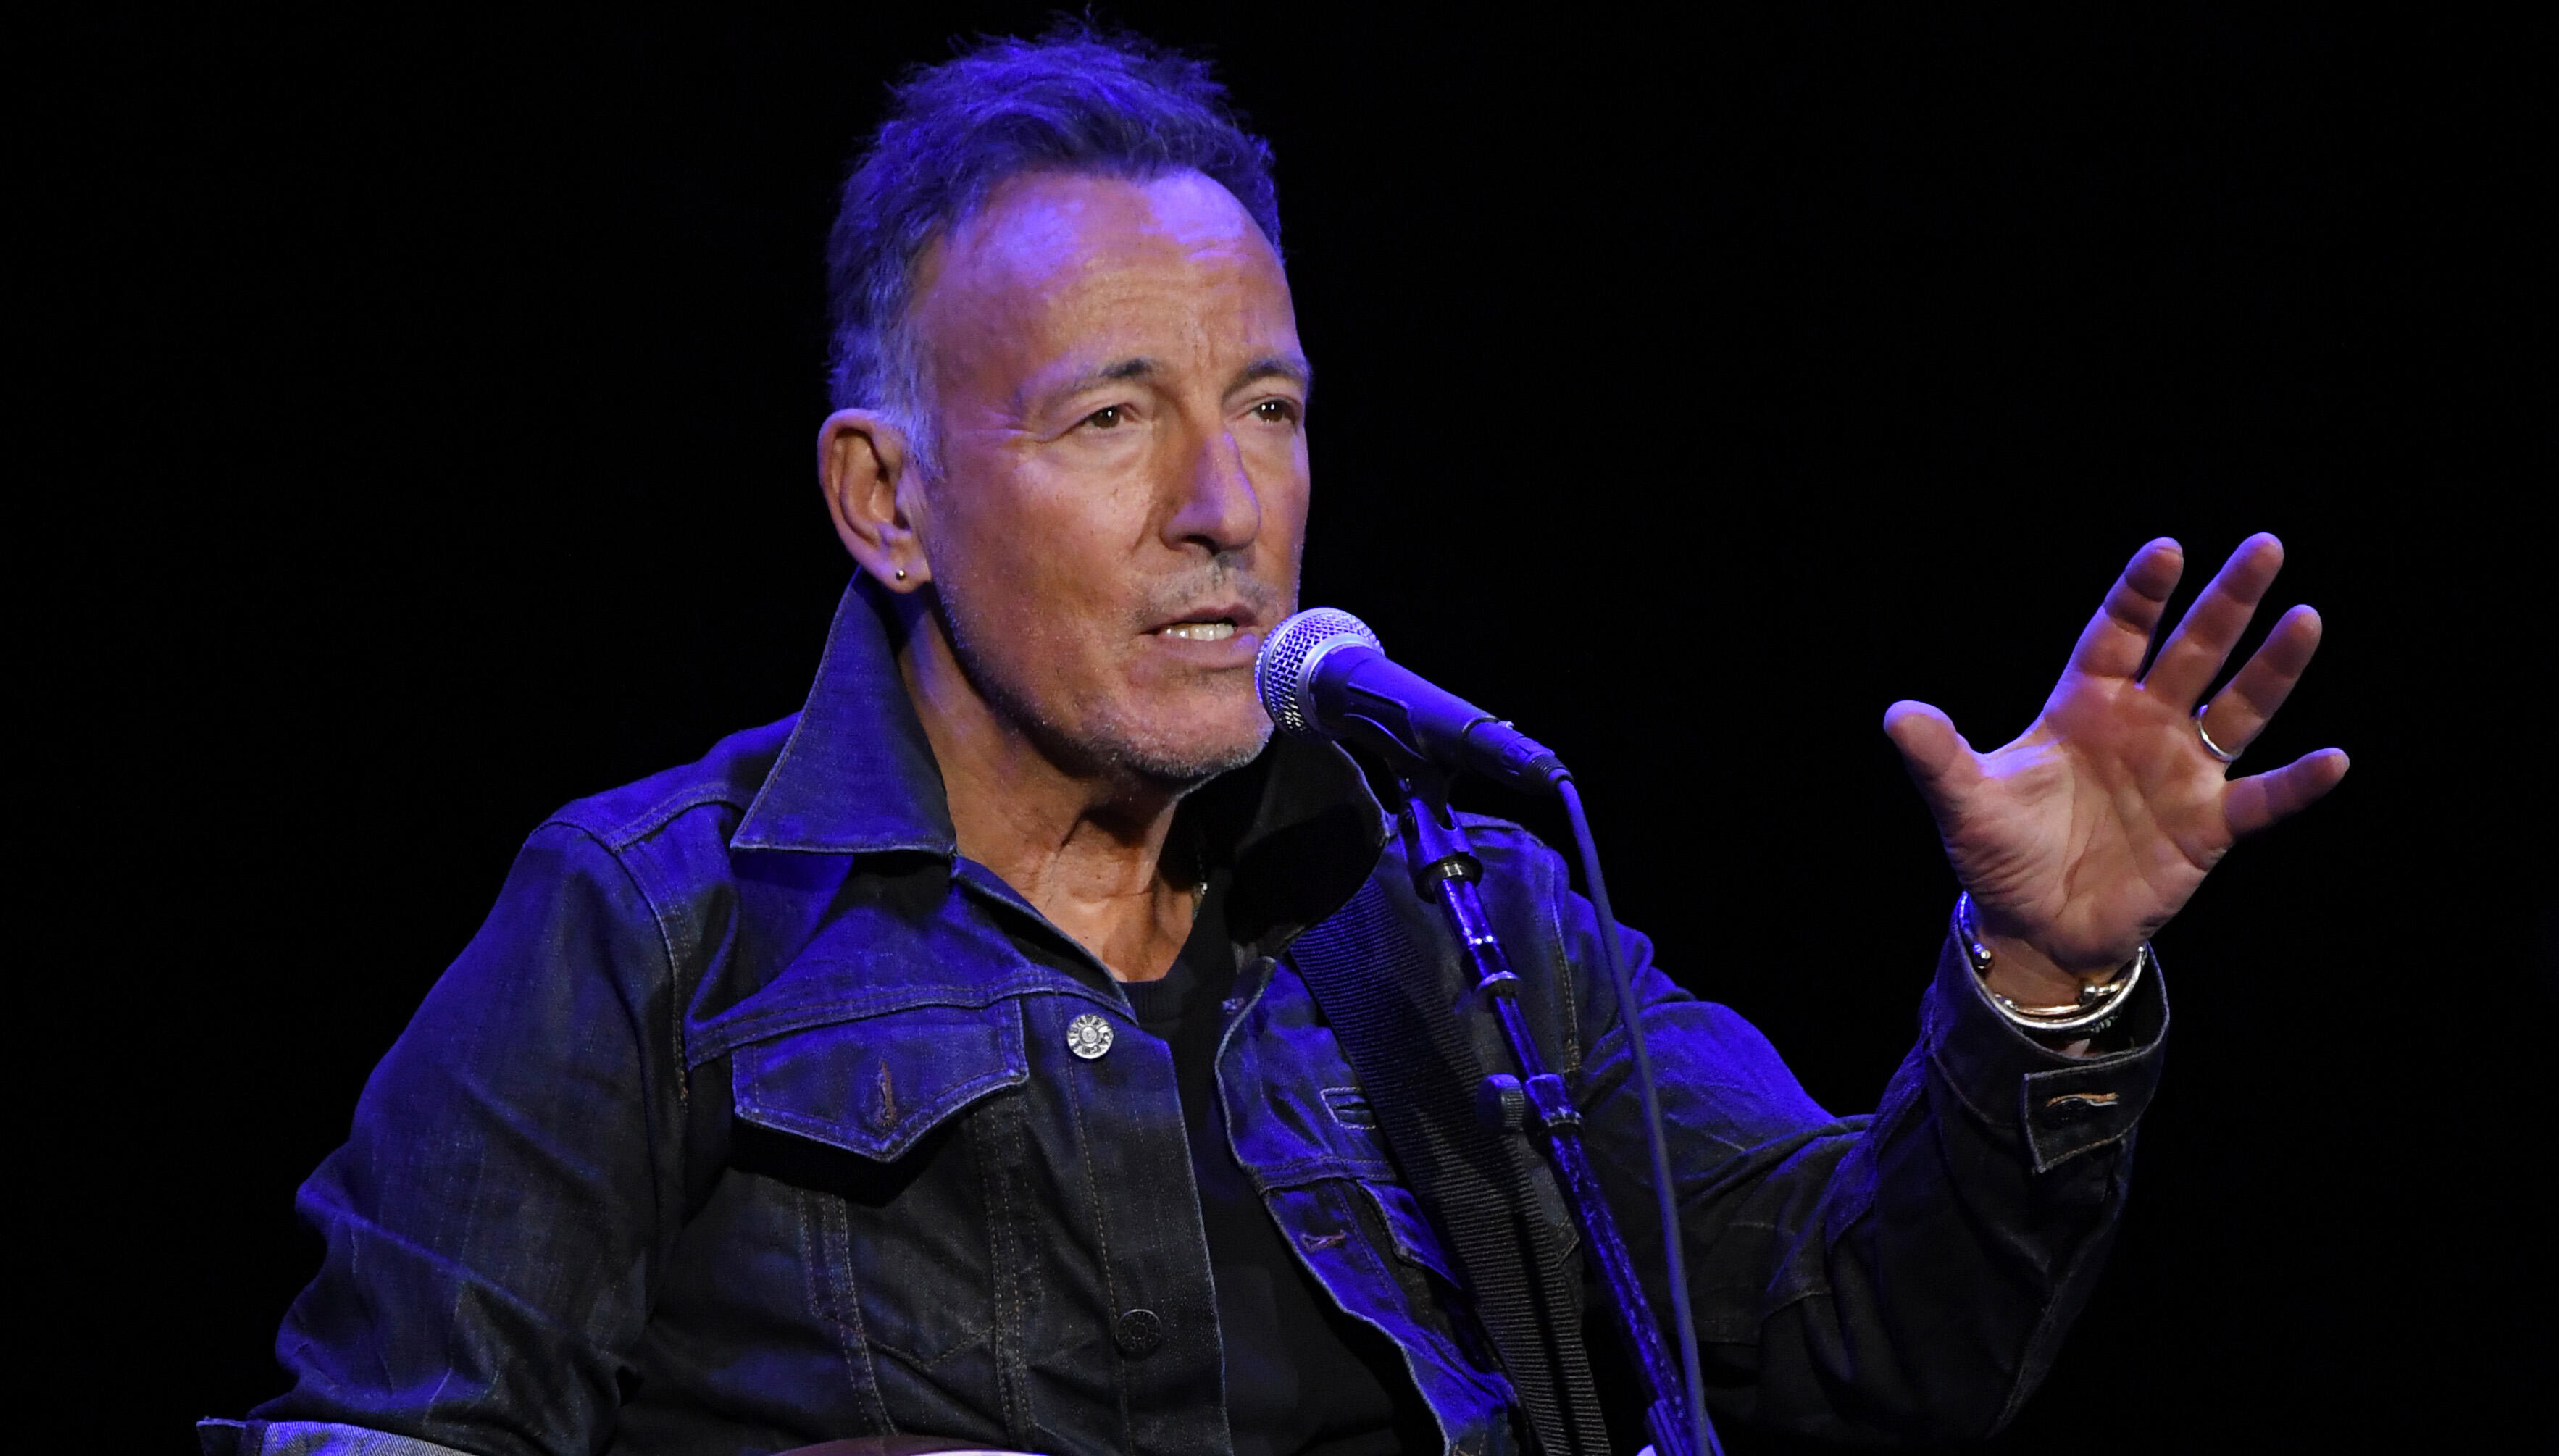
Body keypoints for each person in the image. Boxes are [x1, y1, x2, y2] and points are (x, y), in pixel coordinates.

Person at [204, 28, 2347, 1456]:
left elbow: (1859, 1335)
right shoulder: (654, 925)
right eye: (1108, 418)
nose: (1222, 505)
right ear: (885, 497)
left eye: (1268, 408)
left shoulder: (1459, 915)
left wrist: (2044, 979)